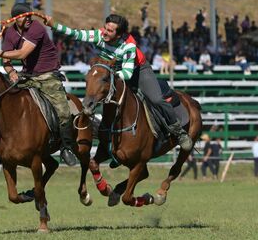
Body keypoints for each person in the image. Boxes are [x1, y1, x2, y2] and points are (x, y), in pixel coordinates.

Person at [46, 13, 193, 152]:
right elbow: (76, 34)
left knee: (156, 99)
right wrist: (54, 25)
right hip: (111, 72)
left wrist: (109, 75)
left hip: (137, 71)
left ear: (119, 34)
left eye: (110, 31)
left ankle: (179, 132)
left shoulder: (128, 45)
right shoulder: (100, 34)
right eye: (105, 28)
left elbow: (127, 73)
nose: (105, 32)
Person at [0, 2, 78, 166]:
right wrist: (11, 72)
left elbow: (22, 53)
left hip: (48, 76)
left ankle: (67, 147)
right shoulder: (10, 33)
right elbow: (6, 61)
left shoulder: (37, 28)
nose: (28, 18)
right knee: (6, 103)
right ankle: (5, 148)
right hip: (27, 76)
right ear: (16, 19)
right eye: (24, 16)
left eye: (30, 15)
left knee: (63, 110)